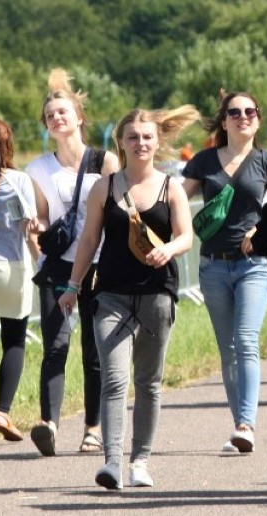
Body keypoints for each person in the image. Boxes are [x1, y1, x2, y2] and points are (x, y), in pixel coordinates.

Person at [58, 105, 197, 489]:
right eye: (133, 136)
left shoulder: (171, 188)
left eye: (147, 136)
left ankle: (140, 462)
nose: (140, 143)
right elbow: (88, 242)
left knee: (149, 382)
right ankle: (111, 465)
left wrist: (169, 250)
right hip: (111, 296)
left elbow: (186, 235)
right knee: (114, 380)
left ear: (158, 141)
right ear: (120, 141)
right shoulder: (104, 187)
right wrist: (73, 286)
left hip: (157, 294)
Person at [182, 91, 267, 452]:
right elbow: (178, 202)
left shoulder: (266, 162)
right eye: (234, 112)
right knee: (227, 350)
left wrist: (261, 231)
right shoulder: (203, 161)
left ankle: (246, 423)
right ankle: (238, 423)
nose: (243, 117)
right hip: (212, 266)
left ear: (258, 119)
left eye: (250, 112)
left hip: (254, 266)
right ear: (223, 121)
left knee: (245, 340)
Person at [26, 69, 120, 456]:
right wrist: (37, 225)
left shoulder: (105, 161)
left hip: (100, 264)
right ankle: (49, 423)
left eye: (63, 112)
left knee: (95, 349)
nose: (57, 119)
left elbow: (119, 212)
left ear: (79, 117)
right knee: (55, 345)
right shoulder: (38, 169)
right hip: (59, 264)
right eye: (51, 116)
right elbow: (46, 217)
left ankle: (93, 428)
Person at [0, 118, 39, 444]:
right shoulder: (19, 180)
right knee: (14, 340)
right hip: (11, 268)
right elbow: (32, 226)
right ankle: (2, 411)